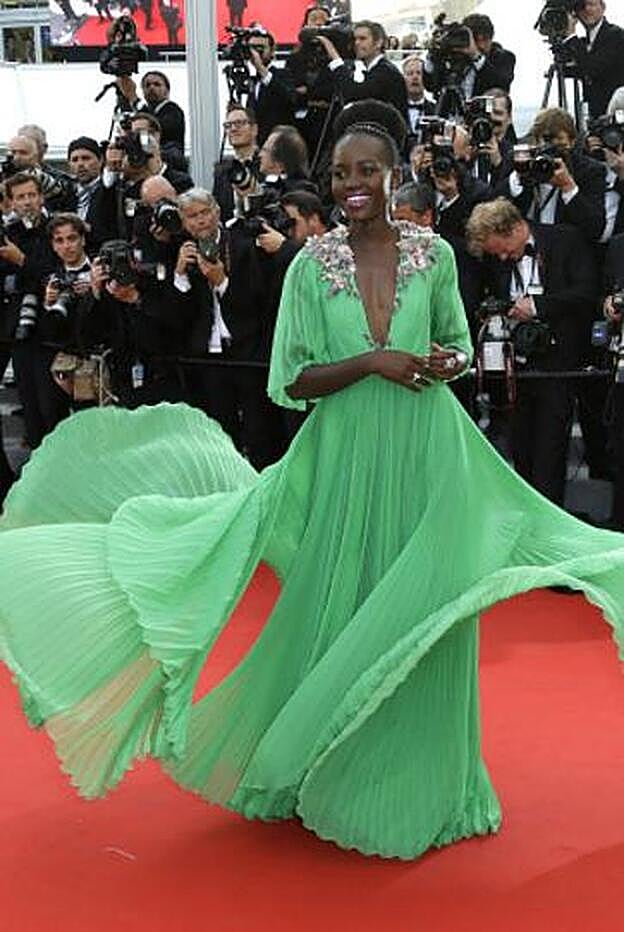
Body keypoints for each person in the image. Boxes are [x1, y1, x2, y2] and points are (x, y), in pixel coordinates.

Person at [1, 99, 624, 864]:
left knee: (422, 617)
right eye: (340, 173)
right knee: (346, 606)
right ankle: (322, 764)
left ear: (396, 175)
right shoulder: (308, 264)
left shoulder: (435, 255)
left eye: (368, 171)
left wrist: (440, 362)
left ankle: (425, 781)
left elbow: (460, 346)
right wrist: (371, 361)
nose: (353, 184)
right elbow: (290, 380)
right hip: (344, 459)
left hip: (426, 454)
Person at [318, 20, 409, 123]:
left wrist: (335, 58)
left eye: (363, 39)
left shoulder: (386, 71)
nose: (357, 43)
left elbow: (354, 94)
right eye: (355, 39)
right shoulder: (371, 69)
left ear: (378, 43)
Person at [564, 0, 624, 120]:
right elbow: (573, 70)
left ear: (603, 8)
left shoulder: (615, 35)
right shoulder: (585, 41)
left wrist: (571, 36)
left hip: (615, 119)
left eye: (591, 4)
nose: (587, 10)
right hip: (595, 118)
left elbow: (592, 69)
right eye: (582, 6)